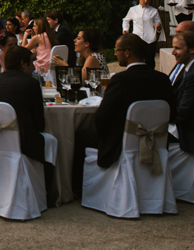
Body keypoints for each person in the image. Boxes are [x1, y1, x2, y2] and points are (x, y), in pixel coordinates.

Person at [72, 34, 175, 198]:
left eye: (117, 50)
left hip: (122, 142)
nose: (115, 54)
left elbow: (101, 119)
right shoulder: (162, 79)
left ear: (127, 53)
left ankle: (78, 189)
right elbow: (172, 113)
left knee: (79, 136)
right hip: (156, 139)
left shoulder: (121, 80)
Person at [0, 44, 52, 195]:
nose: (34, 67)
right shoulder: (31, 84)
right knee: (52, 141)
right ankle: (48, 191)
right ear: (22, 63)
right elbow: (39, 125)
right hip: (22, 144)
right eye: (31, 62)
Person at [123, 0, 163, 67]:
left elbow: (158, 22)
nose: (146, 1)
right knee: (136, 59)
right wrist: (125, 29)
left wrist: (158, 26)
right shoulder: (133, 10)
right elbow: (126, 20)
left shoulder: (153, 11)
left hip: (150, 39)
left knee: (150, 61)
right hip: (136, 38)